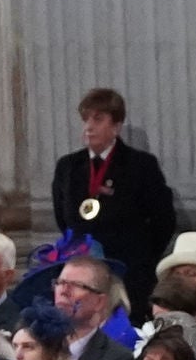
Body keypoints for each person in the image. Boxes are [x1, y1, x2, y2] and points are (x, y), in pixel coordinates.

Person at [46, 87, 179, 306]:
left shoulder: (140, 165)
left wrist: (140, 259)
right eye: (86, 119)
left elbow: (163, 221)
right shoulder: (68, 167)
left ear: (116, 126)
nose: (89, 127)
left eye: (98, 119)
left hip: (128, 274)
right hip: (82, 275)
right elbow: (63, 218)